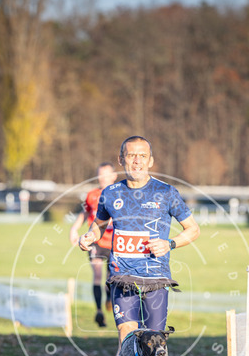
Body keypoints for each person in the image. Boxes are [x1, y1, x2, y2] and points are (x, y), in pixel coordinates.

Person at [79, 135, 200, 344]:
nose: (137, 161)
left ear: (150, 161)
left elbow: (193, 229)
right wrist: (90, 236)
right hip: (122, 277)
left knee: (152, 341)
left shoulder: (166, 192)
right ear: (121, 160)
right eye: (131, 155)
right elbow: (99, 225)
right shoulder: (110, 193)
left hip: (155, 278)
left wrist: (169, 244)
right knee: (126, 334)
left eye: (142, 156)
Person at [70, 162, 117, 327]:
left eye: (106, 174)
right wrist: (74, 229)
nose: (102, 178)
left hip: (114, 242)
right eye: (100, 174)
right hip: (96, 241)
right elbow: (85, 213)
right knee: (97, 274)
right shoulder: (92, 195)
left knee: (111, 277)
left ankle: (109, 299)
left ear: (114, 176)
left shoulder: (120, 194)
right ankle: (98, 311)